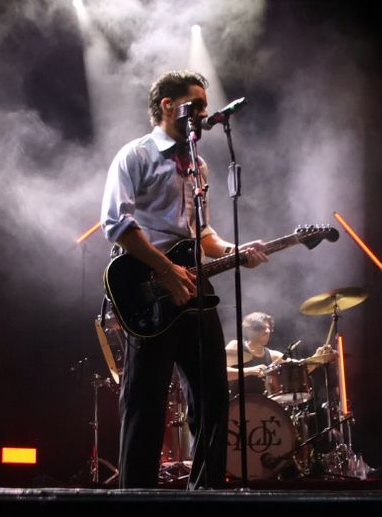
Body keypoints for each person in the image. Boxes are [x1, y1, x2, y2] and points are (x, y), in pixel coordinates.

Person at [100, 70, 268, 489]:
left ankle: (205, 495)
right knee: (145, 401)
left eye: (205, 107)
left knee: (212, 396)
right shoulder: (136, 155)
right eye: (195, 105)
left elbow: (203, 233)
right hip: (150, 288)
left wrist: (235, 251)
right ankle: (136, 498)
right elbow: (116, 224)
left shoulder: (198, 165)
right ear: (167, 105)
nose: (203, 114)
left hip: (192, 285)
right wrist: (165, 269)